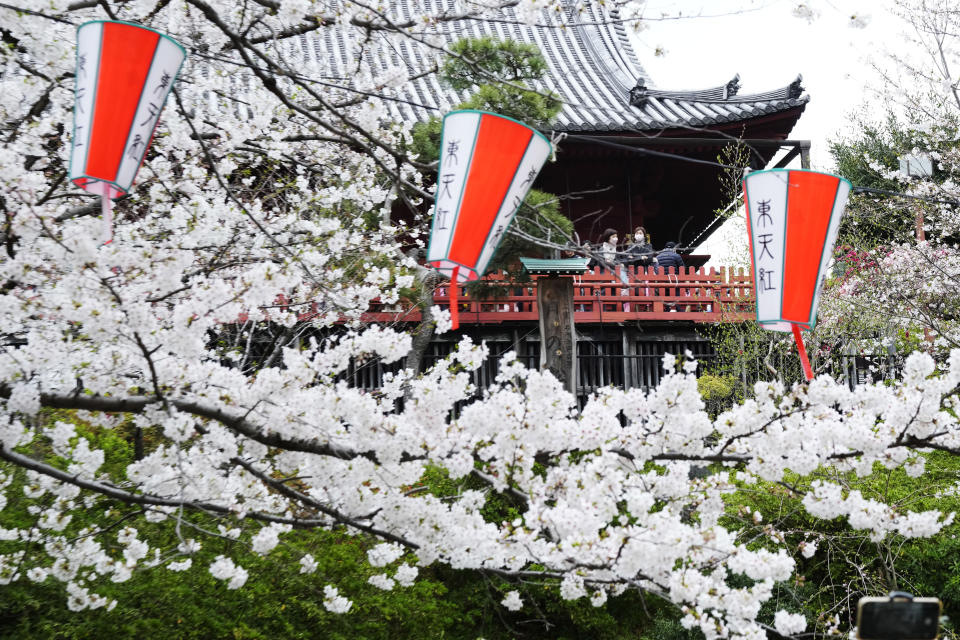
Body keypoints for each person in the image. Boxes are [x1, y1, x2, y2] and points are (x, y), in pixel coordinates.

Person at [656, 241, 685, 307]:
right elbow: (682, 269)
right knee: (676, 300)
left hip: (662, 283)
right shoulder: (677, 256)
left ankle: (666, 311)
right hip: (674, 282)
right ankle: (679, 310)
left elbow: (656, 269)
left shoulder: (658, 257)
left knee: (664, 301)